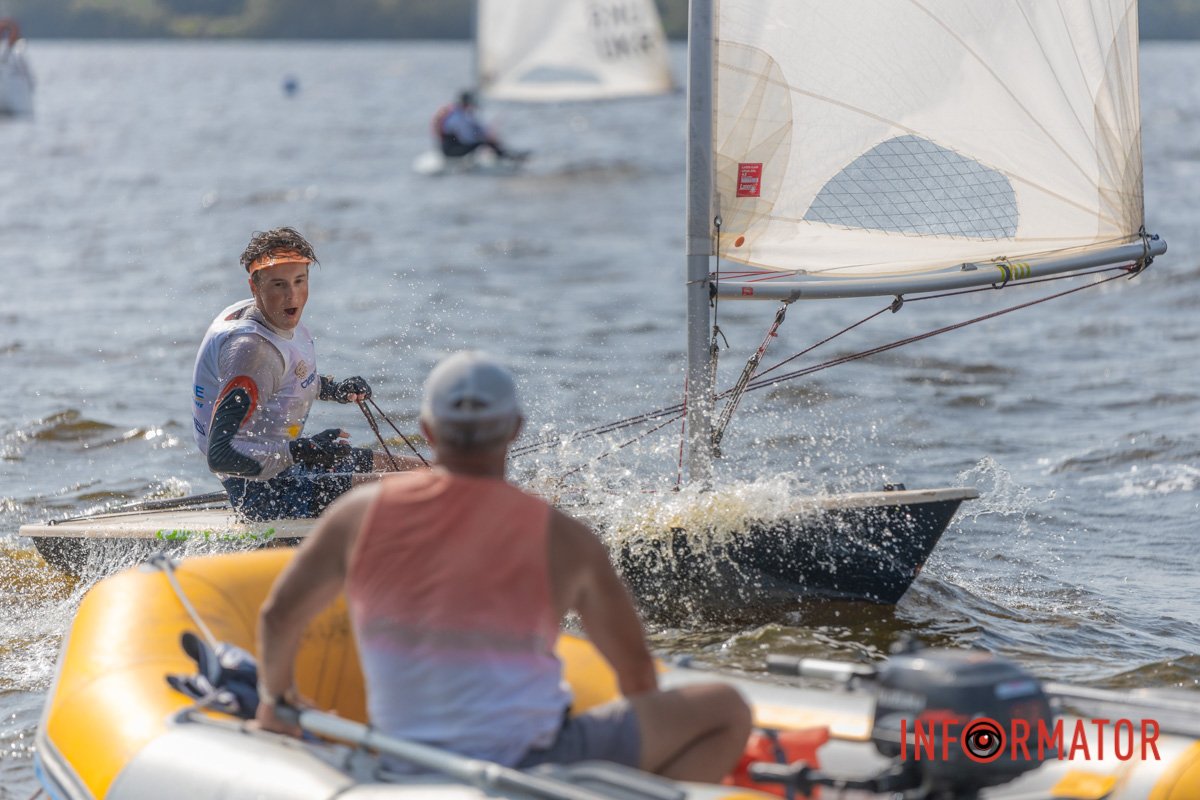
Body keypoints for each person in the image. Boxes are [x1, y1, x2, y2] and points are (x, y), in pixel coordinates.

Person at [256, 351, 752, 782]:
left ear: (428, 432)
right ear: (515, 430)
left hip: (404, 760)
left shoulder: (357, 516)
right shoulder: (565, 538)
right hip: (535, 764)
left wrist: (275, 702)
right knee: (726, 710)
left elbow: (279, 616)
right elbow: (638, 678)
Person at [192, 226, 422, 521]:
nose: (292, 296)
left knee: (427, 471)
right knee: (425, 489)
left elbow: (283, 380)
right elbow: (220, 456)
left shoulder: (272, 320)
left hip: (292, 462)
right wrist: (300, 451)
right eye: (278, 285)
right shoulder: (251, 351)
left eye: (299, 281)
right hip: (265, 494)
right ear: (255, 287)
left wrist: (335, 389)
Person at [432, 91, 525, 161]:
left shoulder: (463, 114)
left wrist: (488, 136)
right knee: (482, 143)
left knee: (486, 142)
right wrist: (484, 140)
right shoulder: (456, 118)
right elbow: (467, 138)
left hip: (458, 147)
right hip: (451, 151)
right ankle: (505, 157)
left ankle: (506, 155)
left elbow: (476, 128)